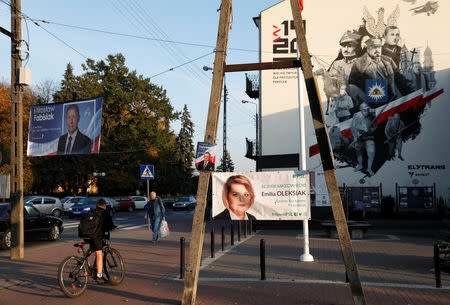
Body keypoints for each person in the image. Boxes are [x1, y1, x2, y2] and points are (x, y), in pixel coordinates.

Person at [349, 37, 401, 102]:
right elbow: (353, 83)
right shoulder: (358, 63)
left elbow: (398, 78)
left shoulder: (388, 60)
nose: (377, 50)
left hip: (392, 96)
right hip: (372, 98)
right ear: (368, 48)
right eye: (374, 47)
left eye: (379, 47)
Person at [83, 198, 117, 284]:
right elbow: (109, 224)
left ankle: (89, 265)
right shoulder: (105, 213)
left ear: (97, 205)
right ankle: (99, 276)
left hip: (86, 235)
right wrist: (113, 227)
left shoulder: (92, 212)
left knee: (93, 248)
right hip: (96, 236)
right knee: (99, 254)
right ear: (104, 205)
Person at [350, 103, 377, 176]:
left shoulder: (372, 115)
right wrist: (356, 135)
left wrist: (369, 130)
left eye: (367, 109)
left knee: (371, 153)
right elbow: (352, 127)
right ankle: (360, 165)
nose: (367, 111)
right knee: (358, 152)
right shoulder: (356, 115)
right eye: (364, 110)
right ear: (361, 110)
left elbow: (375, 126)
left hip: (369, 137)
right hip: (358, 137)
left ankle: (369, 168)